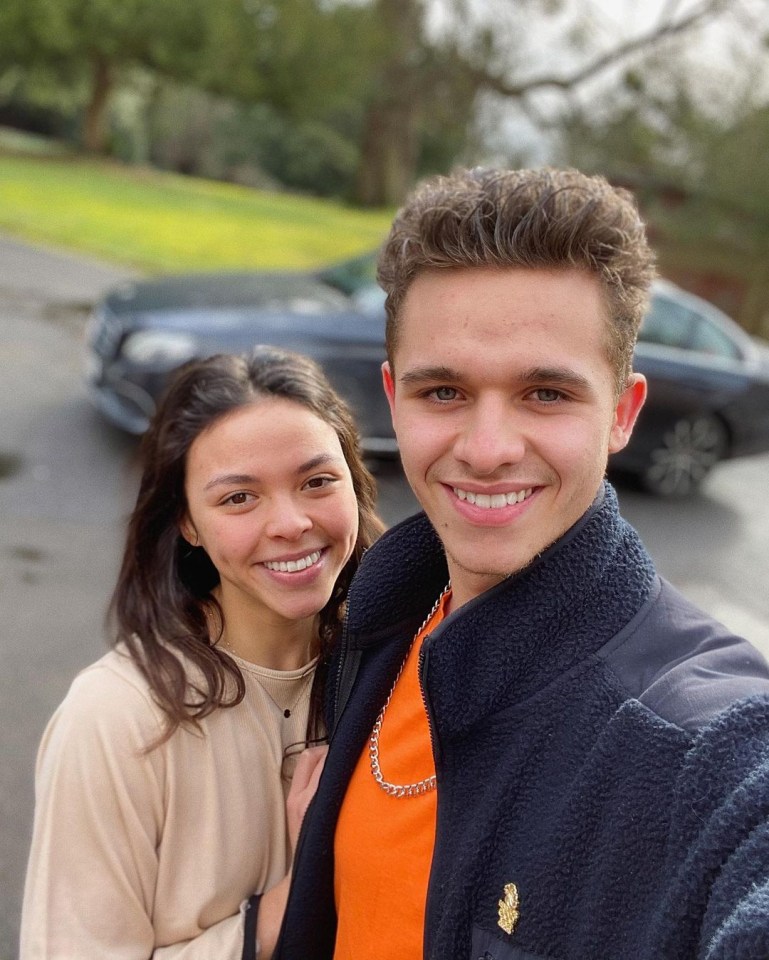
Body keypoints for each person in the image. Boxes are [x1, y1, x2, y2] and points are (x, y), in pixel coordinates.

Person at [274, 168, 769, 960]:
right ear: (392, 397)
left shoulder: (684, 741)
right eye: (443, 392)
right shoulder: (381, 618)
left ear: (621, 413)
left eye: (544, 394)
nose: (487, 449)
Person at [19, 345, 383, 960]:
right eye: (239, 497)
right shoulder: (117, 716)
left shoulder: (400, 671)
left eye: (317, 481)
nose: (292, 522)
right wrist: (285, 909)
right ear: (187, 521)